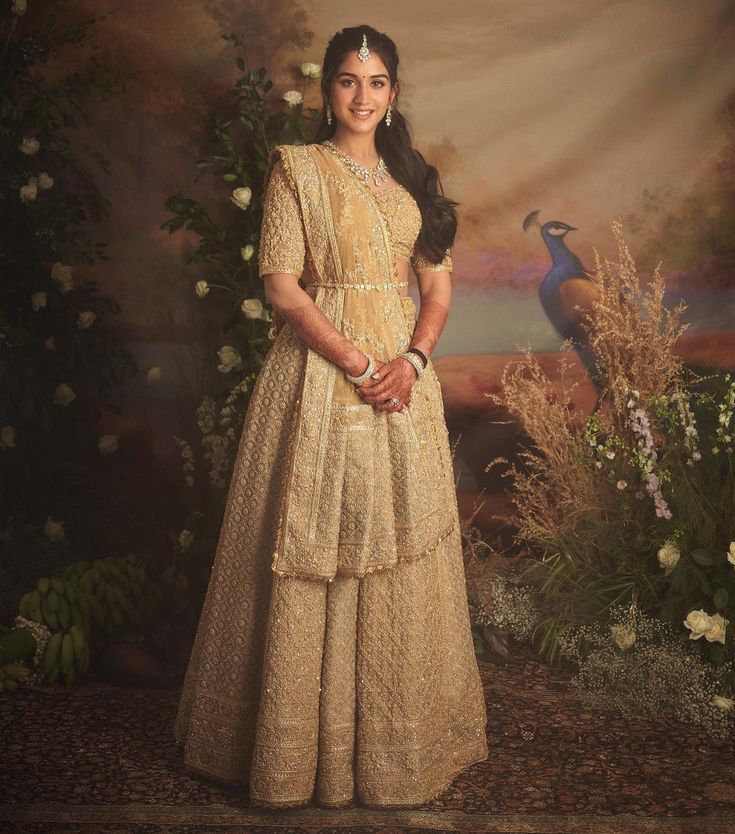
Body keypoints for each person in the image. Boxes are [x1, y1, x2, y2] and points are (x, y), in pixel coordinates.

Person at [174, 24, 488, 809]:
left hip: (401, 391)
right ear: (328, 92)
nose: (361, 95)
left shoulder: (413, 177)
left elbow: (437, 286)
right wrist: (357, 365)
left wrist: (410, 364)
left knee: (397, 553)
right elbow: (282, 287)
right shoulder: (298, 171)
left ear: (392, 93)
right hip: (319, 383)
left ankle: (391, 755)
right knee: (311, 542)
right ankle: (290, 757)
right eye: (348, 80)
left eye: (376, 81)